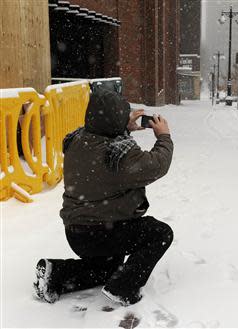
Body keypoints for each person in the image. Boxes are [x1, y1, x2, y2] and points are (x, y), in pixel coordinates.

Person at [33, 87, 174, 306]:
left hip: (77, 234)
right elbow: (156, 165)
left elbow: (102, 146)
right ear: (116, 119)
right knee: (160, 233)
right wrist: (163, 136)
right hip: (103, 232)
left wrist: (123, 128)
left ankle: (55, 275)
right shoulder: (117, 154)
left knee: (109, 268)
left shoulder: (76, 140)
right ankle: (124, 289)